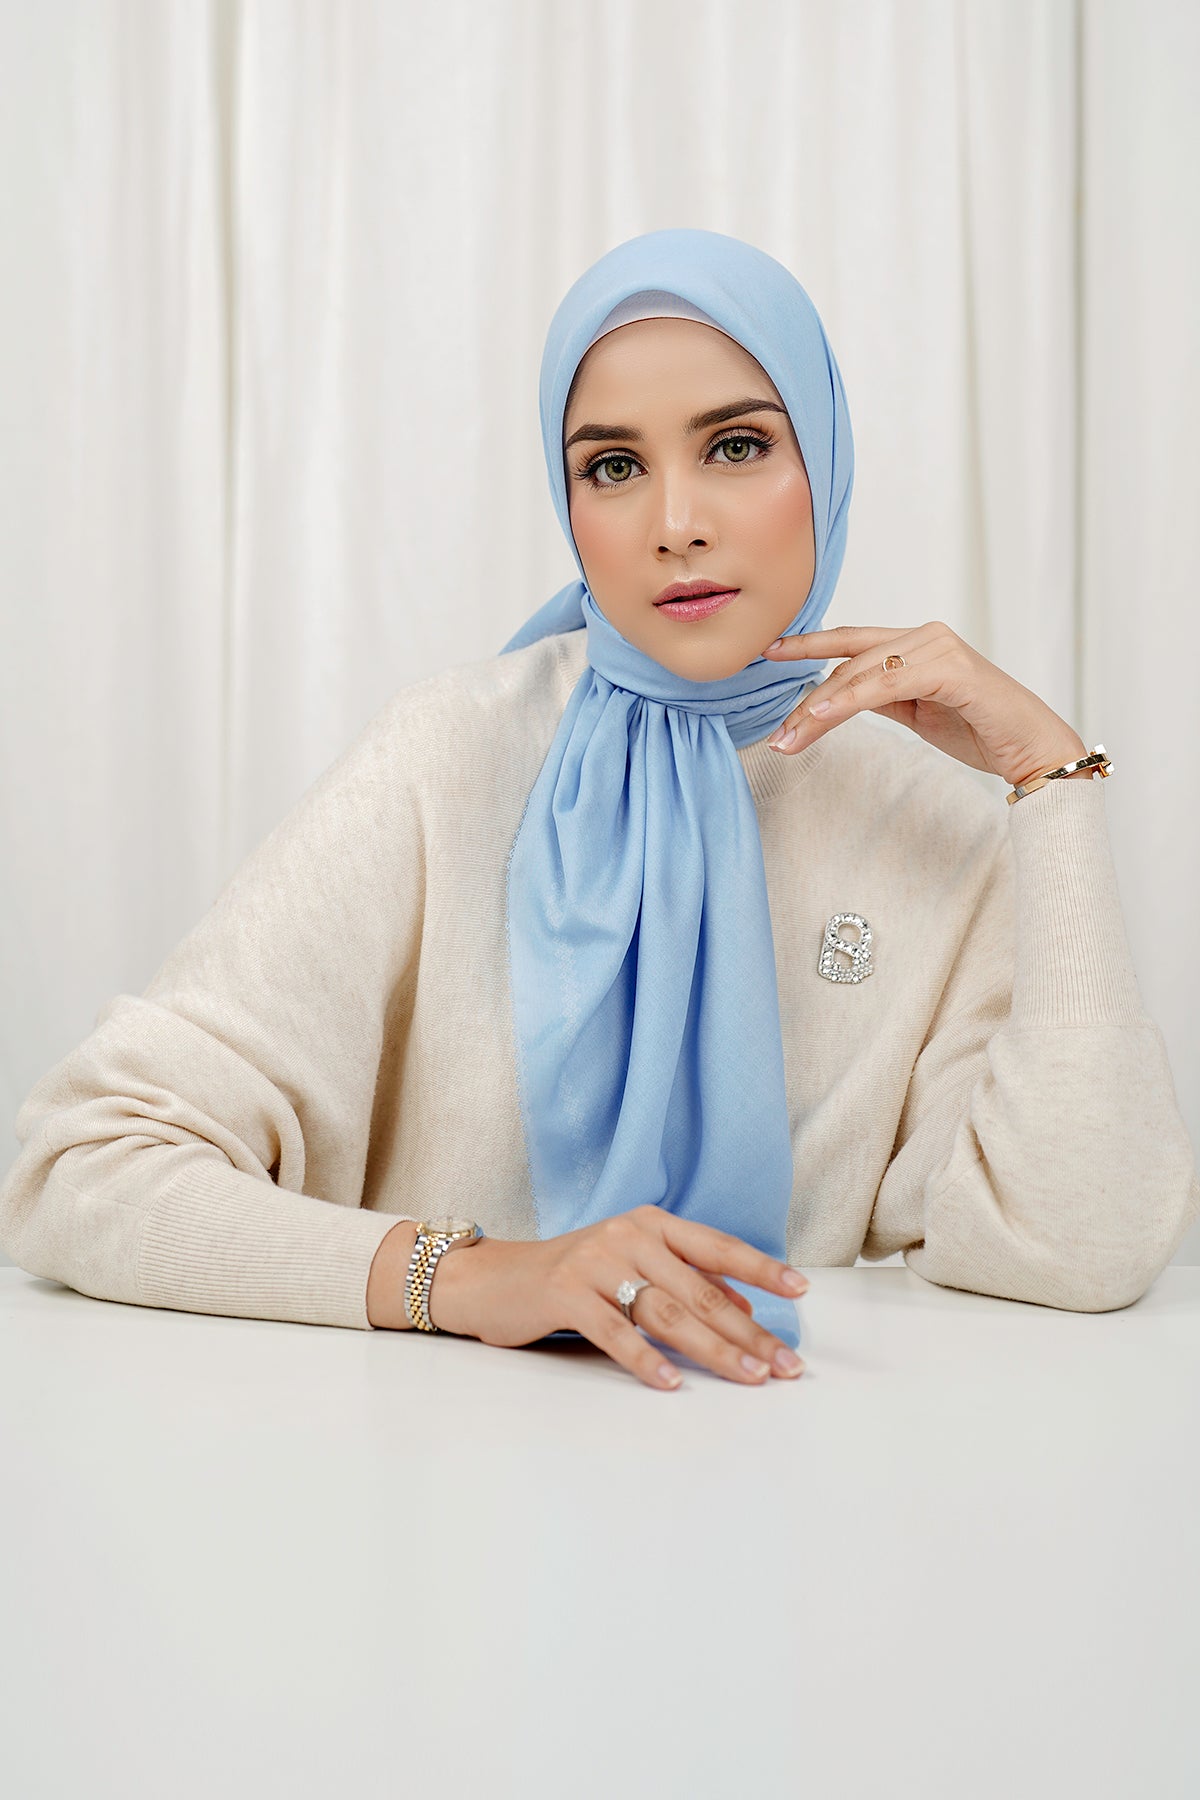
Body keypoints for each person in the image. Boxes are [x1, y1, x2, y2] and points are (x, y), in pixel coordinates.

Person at [1, 228, 1196, 1393]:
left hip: (789, 1470)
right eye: (614, 467)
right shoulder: (454, 760)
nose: (676, 524)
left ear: (826, 464)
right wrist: (469, 1278)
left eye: (737, 446)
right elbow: (82, 1166)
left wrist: (1051, 781)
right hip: (427, 1470)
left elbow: (1077, 1244)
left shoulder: (931, 830)